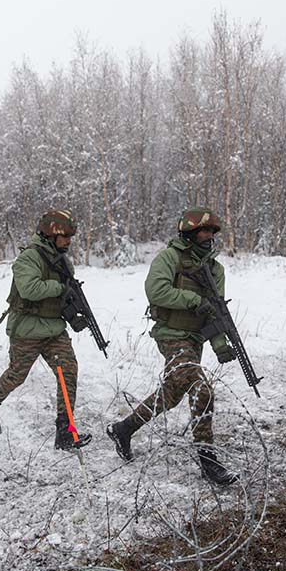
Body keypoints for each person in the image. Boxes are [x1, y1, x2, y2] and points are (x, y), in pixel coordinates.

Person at [106, 207, 239, 486]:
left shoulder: (215, 269)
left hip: (194, 339)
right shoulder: (169, 258)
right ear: (188, 233)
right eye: (203, 231)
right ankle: (208, 460)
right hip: (171, 334)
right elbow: (156, 290)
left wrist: (220, 344)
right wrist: (193, 300)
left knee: (172, 393)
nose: (208, 236)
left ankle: (124, 428)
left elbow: (215, 311)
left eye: (211, 231)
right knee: (202, 389)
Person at [0, 210, 93, 450]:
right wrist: (61, 288)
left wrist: (74, 317)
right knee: (17, 375)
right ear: (51, 234)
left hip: (53, 330)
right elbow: (30, 289)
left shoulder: (63, 260)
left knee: (68, 372)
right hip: (27, 328)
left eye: (71, 236)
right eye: (65, 236)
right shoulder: (28, 258)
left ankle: (65, 431)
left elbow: (64, 296)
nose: (69, 241)